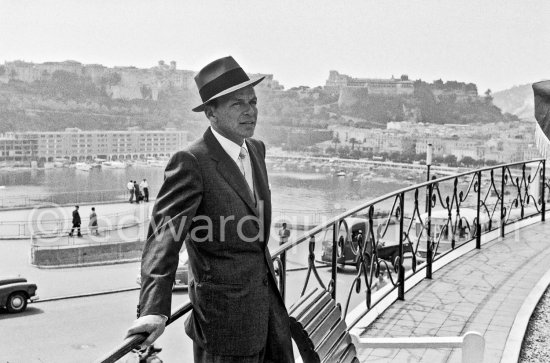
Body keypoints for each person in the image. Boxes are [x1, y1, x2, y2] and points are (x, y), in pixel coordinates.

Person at [126, 56, 294, 363]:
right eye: (237, 104)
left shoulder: (256, 150)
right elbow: (164, 236)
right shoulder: (191, 161)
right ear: (210, 112)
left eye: (253, 101)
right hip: (223, 326)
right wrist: (153, 310)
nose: (250, 111)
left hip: (269, 313)